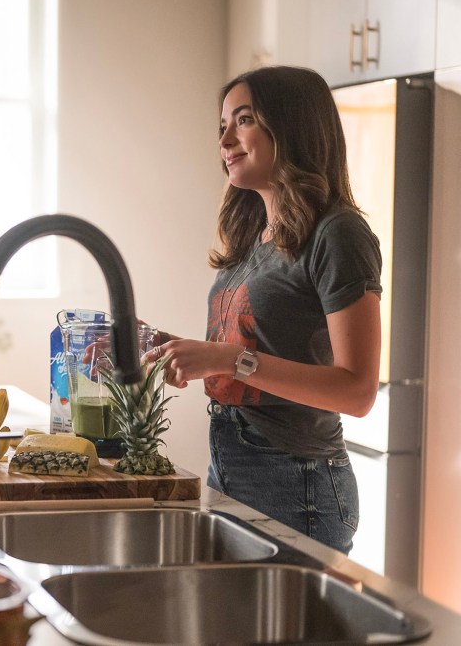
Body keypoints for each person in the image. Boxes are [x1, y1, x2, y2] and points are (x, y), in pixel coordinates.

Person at [142, 65, 381, 554]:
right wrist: (167, 346)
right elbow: (249, 348)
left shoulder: (338, 234)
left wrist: (227, 359)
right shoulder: (256, 234)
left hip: (299, 482)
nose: (226, 138)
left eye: (244, 120)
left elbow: (357, 392)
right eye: (222, 125)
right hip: (231, 465)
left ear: (290, 126)